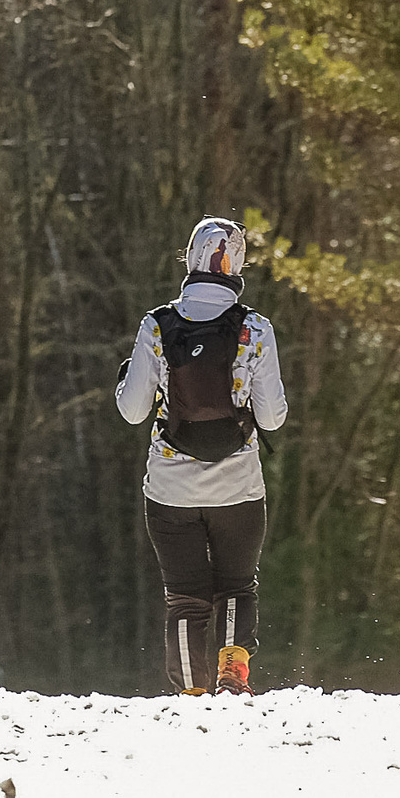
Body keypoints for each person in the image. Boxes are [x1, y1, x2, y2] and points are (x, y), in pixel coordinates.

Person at [115, 216, 288, 696]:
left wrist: (126, 378)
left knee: (185, 598)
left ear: (191, 258)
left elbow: (132, 412)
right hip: (238, 484)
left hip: (170, 487)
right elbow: (272, 418)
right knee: (237, 584)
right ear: (237, 264)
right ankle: (233, 669)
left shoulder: (158, 324)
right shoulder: (255, 327)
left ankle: (192, 691)